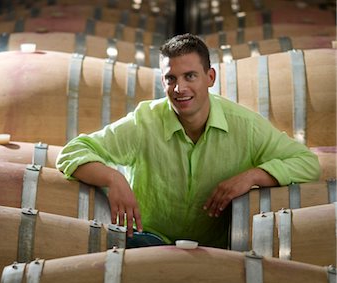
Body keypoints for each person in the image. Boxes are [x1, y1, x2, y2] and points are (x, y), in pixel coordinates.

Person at [56, 33, 320, 248]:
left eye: (189, 76)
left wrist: (252, 176)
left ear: (210, 77)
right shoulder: (144, 121)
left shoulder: (245, 126)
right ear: (162, 81)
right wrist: (112, 177)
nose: (179, 88)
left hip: (216, 255)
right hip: (148, 244)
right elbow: (72, 151)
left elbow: (307, 163)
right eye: (171, 79)